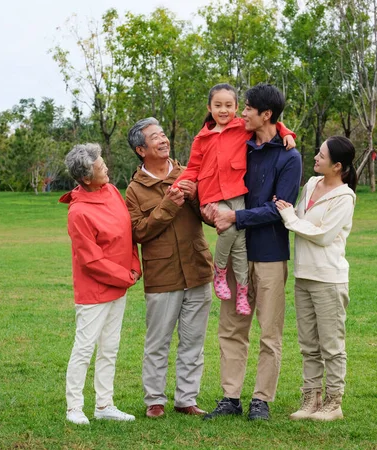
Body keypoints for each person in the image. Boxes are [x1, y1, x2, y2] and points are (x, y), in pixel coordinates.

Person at [202, 83, 302, 421]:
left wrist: (236, 216)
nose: (241, 113)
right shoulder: (239, 144)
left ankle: (261, 399)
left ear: (266, 115)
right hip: (236, 254)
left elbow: (281, 210)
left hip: (271, 254)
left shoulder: (290, 157)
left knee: (269, 331)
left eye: (247, 108)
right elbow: (212, 158)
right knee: (231, 327)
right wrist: (213, 208)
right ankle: (230, 397)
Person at [174, 83, 296, 316]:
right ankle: (218, 270)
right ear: (209, 107)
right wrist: (179, 185)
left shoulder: (242, 128)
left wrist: (287, 133)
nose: (223, 110)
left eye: (229, 105)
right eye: (218, 105)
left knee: (240, 243)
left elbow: (272, 123)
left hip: (236, 193)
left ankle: (242, 290)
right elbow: (193, 168)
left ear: (237, 107)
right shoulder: (202, 138)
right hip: (212, 197)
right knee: (230, 232)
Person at [125, 117, 214, 418]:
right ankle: (155, 400)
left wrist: (195, 197)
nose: (163, 140)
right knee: (158, 341)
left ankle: (186, 399)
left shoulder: (189, 173)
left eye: (163, 134)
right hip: (162, 275)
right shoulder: (134, 191)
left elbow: (207, 213)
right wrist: (169, 205)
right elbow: (138, 232)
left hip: (198, 268)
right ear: (141, 149)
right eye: (155, 137)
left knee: (193, 340)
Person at [275, 136, 357, 421]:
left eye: (321, 156)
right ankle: (311, 399)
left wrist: (290, 219)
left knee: (331, 345)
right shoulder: (311, 184)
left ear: (337, 166)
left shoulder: (345, 197)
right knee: (308, 344)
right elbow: (300, 217)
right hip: (304, 276)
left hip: (329, 280)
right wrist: (290, 214)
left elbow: (323, 235)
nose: (315, 158)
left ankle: (333, 404)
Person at [60, 143, 141, 425]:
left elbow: (127, 232)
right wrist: (125, 276)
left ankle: (104, 404)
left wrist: (134, 265)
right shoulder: (78, 212)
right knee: (85, 348)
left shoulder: (111, 191)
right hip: (94, 292)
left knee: (110, 347)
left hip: (120, 285)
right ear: (85, 177)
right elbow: (91, 261)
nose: (105, 167)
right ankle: (74, 408)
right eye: (99, 166)